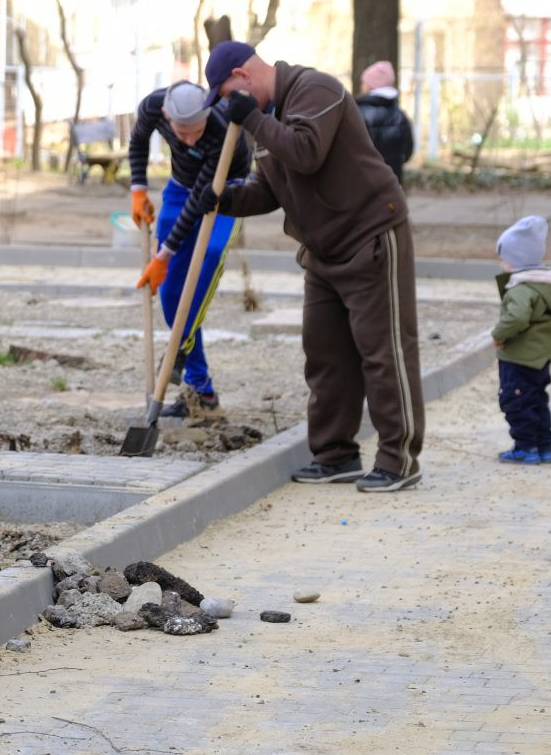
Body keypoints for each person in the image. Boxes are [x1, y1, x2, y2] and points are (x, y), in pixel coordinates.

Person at [199, 40, 425, 493]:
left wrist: (253, 119)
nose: (226, 104)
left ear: (243, 77)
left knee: (383, 352)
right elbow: (271, 189)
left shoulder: (315, 90)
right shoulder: (264, 116)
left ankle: (399, 459)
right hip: (322, 250)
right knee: (325, 355)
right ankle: (335, 454)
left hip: (369, 236)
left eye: (225, 93)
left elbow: (305, 152)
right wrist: (224, 200)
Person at [128, 81, 252, 415]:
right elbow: (139, 140)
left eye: (196, 131)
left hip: (228, 192)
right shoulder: (153, 105)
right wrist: (138, 188)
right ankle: (202, 392)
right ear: (167, 116)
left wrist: (163, 254)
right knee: (170, 297)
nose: (191, 139)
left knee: (207, 258)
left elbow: (201, 202)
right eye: (183, 134)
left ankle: (179, 352)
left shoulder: (221, 130)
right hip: (181, 186)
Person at [491, 216, 551, 465]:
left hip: (519, 357)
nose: (501, 261)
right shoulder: (548, 284)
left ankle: (525, 447)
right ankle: (543, 446)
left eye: (503, 257)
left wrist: (498, 334)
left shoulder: (522, 289)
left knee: (515, 400)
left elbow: (516, 318)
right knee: (537, 399)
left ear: (517, 260)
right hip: (541, 357)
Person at [355, 60, 414, 183]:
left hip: (364, 184)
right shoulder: (400, 115)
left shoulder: (358, 113)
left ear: (370, 85)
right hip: (392, 184)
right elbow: (408, 151)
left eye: (363, 82)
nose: (361, 86)